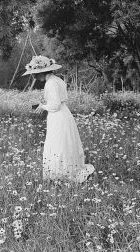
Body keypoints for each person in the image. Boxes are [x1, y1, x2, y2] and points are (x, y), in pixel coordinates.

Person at [23, 55, 94, 183]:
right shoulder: (57, 80)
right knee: (64, 143)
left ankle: (60, 174)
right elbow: (59, 100)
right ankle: (65, 171)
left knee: (58, 144)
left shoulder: (50, 83)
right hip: (64, 113)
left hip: (58, 117)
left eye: (35, 74)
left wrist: (42, 106)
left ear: (42, 72)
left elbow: (55, 105)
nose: (34, 77)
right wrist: (45, 103)